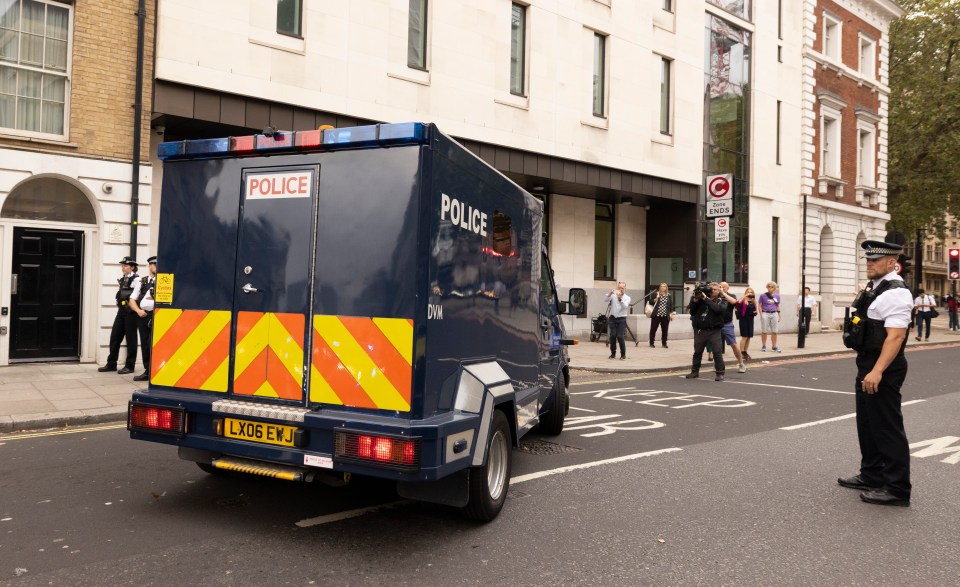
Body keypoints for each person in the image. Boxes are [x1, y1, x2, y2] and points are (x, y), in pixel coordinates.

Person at [838, 239, 914, 507]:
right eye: (868, 260)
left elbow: (895, 337)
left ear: (892, 263)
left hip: (883, 366)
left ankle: (896, 488)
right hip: (867, 363)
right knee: (868, 425)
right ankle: (872, 474)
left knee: (886, 428)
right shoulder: (877, 288)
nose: (869, 263)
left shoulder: (896, 293)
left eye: (875, 260)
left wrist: (877, 371)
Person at [98, 256, 140, 374]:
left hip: (131, 313)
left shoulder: (137, 280)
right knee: (115, 337)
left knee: (131, 339)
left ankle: (130, 366)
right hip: (121, 312)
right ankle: (111, 364)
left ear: (132, 267)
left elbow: (136, 297)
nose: (123, 267)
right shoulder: (123, 279)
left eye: (126, 266)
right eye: (122, 265)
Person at [685, 282, 726, 381]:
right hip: (701, 330)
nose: (713, 291)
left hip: (714, 330)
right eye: (711, 289)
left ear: (718, 291)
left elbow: (718, 310)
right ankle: (695, 372)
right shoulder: (701, 300)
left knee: (717, 352)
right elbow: (693, 312)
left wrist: (706, 299)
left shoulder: (722, 300)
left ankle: (720, 373)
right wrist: (695, 300)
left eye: (715, 289)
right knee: (697, 352)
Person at [128, 256, 157, 382]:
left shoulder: (164, 280)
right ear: (150, 266)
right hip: (142, 315)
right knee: (145, 343)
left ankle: (156, 370)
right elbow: (132, 299)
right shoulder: (142, 281)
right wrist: (138, 311)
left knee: (154, 343)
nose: (155, 266)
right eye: (153, 264)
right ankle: (147, 370)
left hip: (156, 315)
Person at [719, 282, 746, 373]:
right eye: (720, 286)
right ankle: (718, 365)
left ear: (727, 288)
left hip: (727, 324)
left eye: (723, 287)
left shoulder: (731, 295)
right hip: (716, 325)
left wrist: (723, 294)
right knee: (716, 345)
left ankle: (741, 364)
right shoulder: (715, 295)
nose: (721, 288)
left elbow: (734, 302)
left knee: (733, 344)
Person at [606, 281, 631, 360]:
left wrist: (620, 299)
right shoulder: (613, 295)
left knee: (620, 336)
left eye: (622, 288)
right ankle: (613, 353)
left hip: (621, 318)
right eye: (619, 288)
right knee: (613, 335)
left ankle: (623, 354)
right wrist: (610, 293)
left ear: (625, 289)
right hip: (612, 317)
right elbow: (605, 299)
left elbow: (625, 307)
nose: (620, 289)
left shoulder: (627, 297)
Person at [648, 282, 674, 348]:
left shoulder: (669, 295)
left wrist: (672, 313)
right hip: (656, 315)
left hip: (665, 315)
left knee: (665, 330)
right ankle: (651, 343)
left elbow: (671, 305)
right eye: (661, 286)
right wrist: (656, 298)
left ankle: (664, 343)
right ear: (660, 287)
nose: (662, 287)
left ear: (666, 288)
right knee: (653, 329)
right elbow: (650, 302)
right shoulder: (656, 294)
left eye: (664, 286)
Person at [736, 287, 759, 360]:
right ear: (746, 293)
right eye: (748, 292)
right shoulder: (743, 300)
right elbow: (737, 303)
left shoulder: (753, 301)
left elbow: (756, 311)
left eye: (751, 292)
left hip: (750, 320)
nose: (750, 293)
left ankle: (745, 351)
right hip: (743, 320)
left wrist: (756, 312)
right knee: (744, 336)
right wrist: (744, 296)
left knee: (749, 337)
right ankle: (741, 352)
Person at [759, 281, 781, 352]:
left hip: (774, 313)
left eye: (772, 287)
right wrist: (761, 315)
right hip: (765, 313)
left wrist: (779, 315)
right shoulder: (763, 295)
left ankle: (774, 346)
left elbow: (778, 305)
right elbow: (759, 305)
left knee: (774, 331)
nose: (770, 288)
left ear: (774, 288)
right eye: (769, 286)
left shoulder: (777, 296)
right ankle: (764, 345)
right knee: (764, 331)